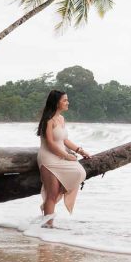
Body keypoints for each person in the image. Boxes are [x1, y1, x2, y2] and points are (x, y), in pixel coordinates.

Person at [36, 90, 90, 228]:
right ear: (56, 102)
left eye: (67, 100)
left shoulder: (61, 119)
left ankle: (47, 212)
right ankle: (48, 226)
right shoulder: (48, 120)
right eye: (65, 100)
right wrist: (66, 156)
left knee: (80, 173)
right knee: (52, 194)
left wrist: (80, 150)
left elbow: (64, 140)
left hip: (60, 156)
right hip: (48, 159)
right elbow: (50, 143)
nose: (68, 102)